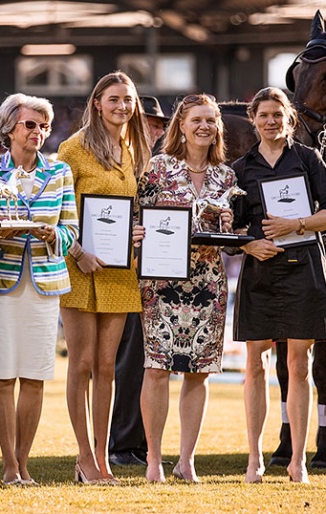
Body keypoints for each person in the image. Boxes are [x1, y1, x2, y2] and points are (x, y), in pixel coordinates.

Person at [0, 93, 79, 485]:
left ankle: (24, 463)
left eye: (43, 125)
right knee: (2, 377)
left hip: (44, 284)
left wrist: (54, 235)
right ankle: (8, 466)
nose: (39, 132)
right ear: (9, 128)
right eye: (30, 124)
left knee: (34, 376)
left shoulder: (60, 172)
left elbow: (71, 229)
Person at [232, 86, 326, 484]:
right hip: (260, 272)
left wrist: (296, 224)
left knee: (299, 366)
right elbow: (231, 227)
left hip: (303, 268)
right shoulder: (241, 168)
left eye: (277, 114)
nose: (270, 121)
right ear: (253, 119)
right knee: (255, 365)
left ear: (289, 119)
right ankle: (254, 460)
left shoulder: (309, 159)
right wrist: (250, 242)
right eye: (263, 115)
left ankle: (297, 461)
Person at [57, 71, 151, 484]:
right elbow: (55, 212)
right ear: (97, 102)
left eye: (127, 100)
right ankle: (83, 457)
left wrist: (137, 231)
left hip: (118, 271)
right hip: (79, 268)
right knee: (80, 364)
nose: (122, 107)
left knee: (107, 366)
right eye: (113, 99)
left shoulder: (132, 149)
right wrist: (78, 251)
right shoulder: (72, 149)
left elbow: (131, 209)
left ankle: (102, 455)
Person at [138, 93, 236, 484]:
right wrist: (137, 232)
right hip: (161, 283)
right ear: (181, 124)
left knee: (199, 373)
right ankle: (154, 461)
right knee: (157, 369)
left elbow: (224, 238)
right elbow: (135, 219)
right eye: (197, 119)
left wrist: (228, 223)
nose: (204, 127)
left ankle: (187, 459)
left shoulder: (226, 176)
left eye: (211, 121)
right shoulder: (156, 168)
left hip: (209, 283)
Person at [109, 95, 169, 468]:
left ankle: (142, 441)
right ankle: (123, 442)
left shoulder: (160, 167)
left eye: (160, 125)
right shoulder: (122, 164)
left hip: (158, 275)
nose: (156, 129)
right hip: (125, 274)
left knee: (151, 364)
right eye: (149, 122)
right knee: (129, 362)